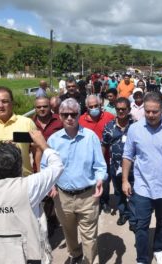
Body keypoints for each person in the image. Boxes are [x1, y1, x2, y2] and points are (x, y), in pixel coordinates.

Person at [0, 131, 64, 264]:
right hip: (26, 257)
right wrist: (43, 144)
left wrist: (1, 152)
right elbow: (57, 166)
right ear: (19, 165)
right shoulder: (29, 187)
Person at [122, 92, 162, 264]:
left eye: (155, 112)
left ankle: (159, 249)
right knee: (141, 226)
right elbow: (127, 156)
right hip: (142, 188)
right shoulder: (135, 129)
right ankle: (142, 258)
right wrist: (125, 180)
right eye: (148, 111)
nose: (150, 115)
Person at [47, 98, 107, 264]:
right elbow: (47, 167)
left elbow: (100, 166)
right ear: (59, 116)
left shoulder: (91, 137)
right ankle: (75, 254)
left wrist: (100, 179)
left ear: (79, 114)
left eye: (73, 114)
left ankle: (89, 260)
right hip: (62, 196)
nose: (69, 118)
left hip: (88, 195)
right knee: (69, 231)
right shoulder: (53, 140)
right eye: (65, 114)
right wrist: (50, 184)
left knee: (89, 235)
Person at [32, 96, 63, 235]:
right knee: (43, 195)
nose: (42, 109)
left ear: (50, 107)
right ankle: (49, 220)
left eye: (45, 106)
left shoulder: (59, 120)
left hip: (56, 164)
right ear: (35, 108)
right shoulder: (30, 123)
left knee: (56, 195)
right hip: (37, 165)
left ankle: (54, 218)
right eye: (39, 107)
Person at [79, 95, 115, 214]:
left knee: (105, 181)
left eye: (96, 106)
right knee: (90, 182)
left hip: (106, 158)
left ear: (101, 105)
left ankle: (104, 202)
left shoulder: (109, 117)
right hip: (87, 158)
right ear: (87, 107)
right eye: (91, 107)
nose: (94, 108)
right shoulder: (81, 120)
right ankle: (93, 203)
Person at [102, 97, 135, 227]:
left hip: (134, 167)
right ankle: (123, 213)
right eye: (118, 109)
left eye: (123, 109)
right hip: (115, 167)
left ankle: (133, 218)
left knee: (134, 193)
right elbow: (104, 144)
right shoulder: (109, 126)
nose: (121, 111)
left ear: (129, 110)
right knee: (119, 192)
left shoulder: (136, 125)